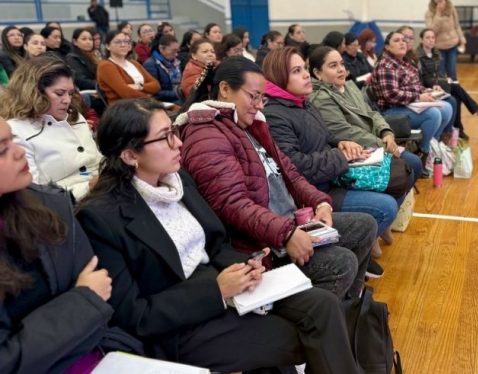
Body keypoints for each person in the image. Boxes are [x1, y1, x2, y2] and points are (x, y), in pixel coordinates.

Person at [78, 99, 360, 373]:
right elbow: (134, 315)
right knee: (302, 336)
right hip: (181, 322)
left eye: (174, 132)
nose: (178, 143)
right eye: (165, 137)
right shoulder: (102, 218)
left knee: (323, 306)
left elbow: (214, 245)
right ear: (130, 155)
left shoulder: (177, 180)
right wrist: (216, 292)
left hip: (224, 285)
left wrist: (247, 264)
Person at [178, 58, 376, 297]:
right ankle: (320, 313)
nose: (259, 106)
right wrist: (287, 234)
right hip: (259, 242)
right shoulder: (206, 134)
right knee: (342, 263)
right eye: (253, 97)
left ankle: (349, 304)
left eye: (262, 98)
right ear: (225, 89)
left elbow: (290, 173)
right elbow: (231, 204)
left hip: (285, 223)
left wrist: (320, 203)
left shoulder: (250, 125)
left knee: (365, 226)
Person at [0, 117, 144, 373]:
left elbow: (101, 303)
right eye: (2, 150)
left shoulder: (50, 207)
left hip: (101, 353)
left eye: (13, 140)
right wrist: (83, 301)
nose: (19, 151)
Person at [262, 47, 393, 273]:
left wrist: (340, 142)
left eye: (304, 68)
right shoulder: (275, 115)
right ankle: (354, 250)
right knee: (385, 208)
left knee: (395, 175)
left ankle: (361, 250)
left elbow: (323, 135)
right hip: (313, 192)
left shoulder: (302, 102)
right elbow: (295, 166)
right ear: (279, 77)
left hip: (329, 178)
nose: (306, 75)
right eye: (296, 71)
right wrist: (340, 156)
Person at [308, 44, 422, 189]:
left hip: (375, 142)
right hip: (358, 151)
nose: (341, 69)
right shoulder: (320, 98)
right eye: (333, 66)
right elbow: (343, 131)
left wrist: (386, 132)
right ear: (317, 73)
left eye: (342, 64)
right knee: (410, 166)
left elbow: (371, 113)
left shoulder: (349, 86)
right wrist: (383, 145)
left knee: (413, 165)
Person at [0, 58, 101, 202]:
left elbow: (96, 161)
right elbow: (34, 194)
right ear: (34, 93)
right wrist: (88, 187)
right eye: (59, 93)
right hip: (66, 205)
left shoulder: (74, 116)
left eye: (70, 93)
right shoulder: (16, 131)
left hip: (99, 191)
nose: (67, 100)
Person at [373, 31, 453, 168]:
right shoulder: (386, 65)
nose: (402, 43)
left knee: (446, 108)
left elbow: (414, 86)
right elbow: (391, 95)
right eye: (397, 40)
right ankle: (423, 153)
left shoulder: (404, 62)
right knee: (433, 114)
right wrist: (418, 97)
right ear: (387, 47)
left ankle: (432, 144)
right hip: (391, 111)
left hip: (406, 105)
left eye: (403, 40)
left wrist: (428, 91)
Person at [417, 28, 478, 140]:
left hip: (439, 83)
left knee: (457, 97)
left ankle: (459, 129)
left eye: (433, 38)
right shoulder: (418, 56)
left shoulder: (436, 53)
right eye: (427, 38)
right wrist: (442, 81)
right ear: (421, 40)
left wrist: (445, 78)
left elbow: (439, 72)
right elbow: (424, 78)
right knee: (456, 88)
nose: (431, 40)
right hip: (430, 87)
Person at [97, 30, 160, 104]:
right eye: (118, 42)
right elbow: (126, 93)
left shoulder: (134, 63)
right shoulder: (106, 66)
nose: (123, 45)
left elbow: (156, 85)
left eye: (126, 41)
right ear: (108, 46)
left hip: (142, 103)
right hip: (123, 106)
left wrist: (139, 86)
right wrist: (149, 99)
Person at [425, 0, 466, 81]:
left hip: (452, 45)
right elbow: (431, 31)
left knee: (452, 73)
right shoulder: (429, 13)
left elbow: (457, 26)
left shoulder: (451, 9)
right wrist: (438, 14)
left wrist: (462, 40)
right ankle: (443, 90)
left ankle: (454, 90)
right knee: (441, 74)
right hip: (438, 48)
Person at [143, 34, 182, 104]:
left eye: (177, 51)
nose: (176, 54)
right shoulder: (151, 64)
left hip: (178, 97)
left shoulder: (175, 62)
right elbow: (154, 92)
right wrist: (178, 93)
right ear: (161, 49)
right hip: (164, 102)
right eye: (173, 51)